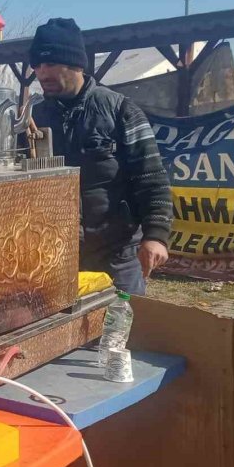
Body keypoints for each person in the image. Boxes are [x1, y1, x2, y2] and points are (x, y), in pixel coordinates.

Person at [28, 18, 172, 294]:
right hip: (53, 255)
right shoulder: (33, 119)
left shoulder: (120, 110)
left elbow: (151, 178)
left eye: (50, 64)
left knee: (118, 333)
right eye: (37, 65)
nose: (41, 72)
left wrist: (156, 236)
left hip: (117, 256)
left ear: (75, 64)